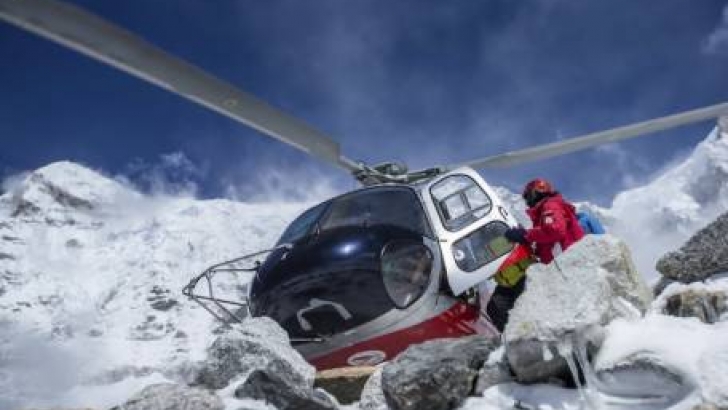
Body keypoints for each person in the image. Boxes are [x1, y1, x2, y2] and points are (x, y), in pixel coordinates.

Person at [485, 178, 585, 332]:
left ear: (535, 193)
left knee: (501, 305)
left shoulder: (550, 206)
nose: (527, 202)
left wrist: (526, 235)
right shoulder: (544, 212)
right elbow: (548, 243)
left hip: (564, 267)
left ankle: (518, 337)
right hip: (558, 268)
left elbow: (556, 230)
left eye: (527, 197)